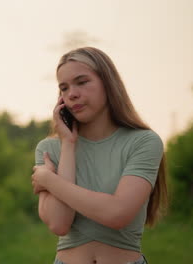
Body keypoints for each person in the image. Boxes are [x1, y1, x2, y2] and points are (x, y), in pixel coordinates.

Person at [32, 47, 167, 264]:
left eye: (82, 82)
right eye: (64, 88)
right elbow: (59, 224)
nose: (72, 94)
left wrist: (48, 180)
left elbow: (117, 214)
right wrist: (68, 144)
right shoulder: (50, 149)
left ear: (108, 83)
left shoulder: (144, 142)